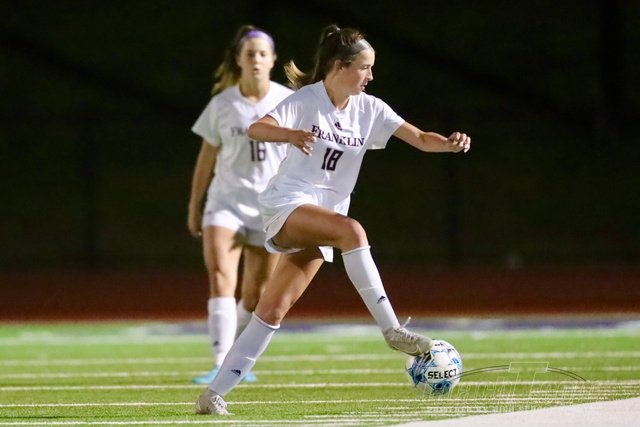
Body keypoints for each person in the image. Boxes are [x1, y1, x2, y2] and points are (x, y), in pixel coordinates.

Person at [195, 24, 471, 415]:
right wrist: (290, 135)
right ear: (340, 67)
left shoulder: (370, 109)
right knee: (352, 230)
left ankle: (212, 395)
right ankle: (393, 330)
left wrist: (449, 144)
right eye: (364, 67)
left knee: (272, 311)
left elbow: (422, 138)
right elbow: (257, 128)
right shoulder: (307, 99)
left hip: (322, 221)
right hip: (287, 204)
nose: (370, 76)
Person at [188, 25, 293, 385]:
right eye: (250, 54)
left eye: (263, 54)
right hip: (225, 204)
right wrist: (195, 204)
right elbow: (206, 158)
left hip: (268, 208)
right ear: (238, 60)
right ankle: (220, 363)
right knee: (221, 276)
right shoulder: (222, 104)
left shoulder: (287, 102)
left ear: (273, 60)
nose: (256, 60)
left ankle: (233, 356)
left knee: (255, 294)